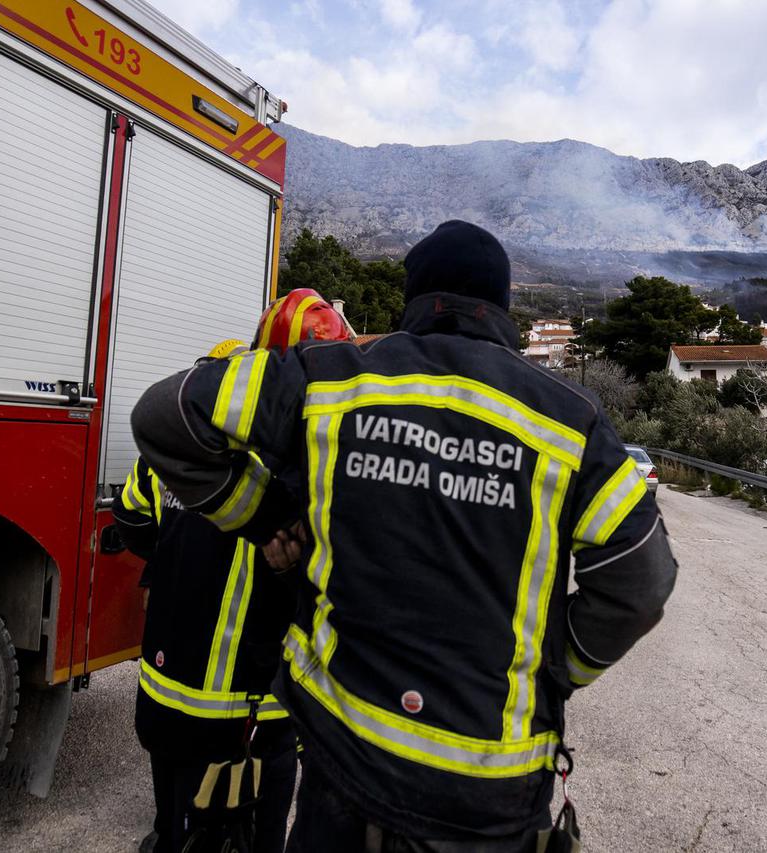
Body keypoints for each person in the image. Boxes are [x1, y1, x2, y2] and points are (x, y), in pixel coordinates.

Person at [130, 221, 678, 850]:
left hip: (345, 764)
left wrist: (261, 517)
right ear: (501, 307)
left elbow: (164, 415)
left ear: (412, 300)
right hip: (488, 792)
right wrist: (558, 668)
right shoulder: (569, 421)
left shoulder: (329, 379)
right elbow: (642, 580)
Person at [117, 293, 349, 853]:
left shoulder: (174, 447)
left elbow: (132, 523)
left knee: (173, 828)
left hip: (167, 693)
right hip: (259, 712)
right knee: (261, 837)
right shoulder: (315, 467)